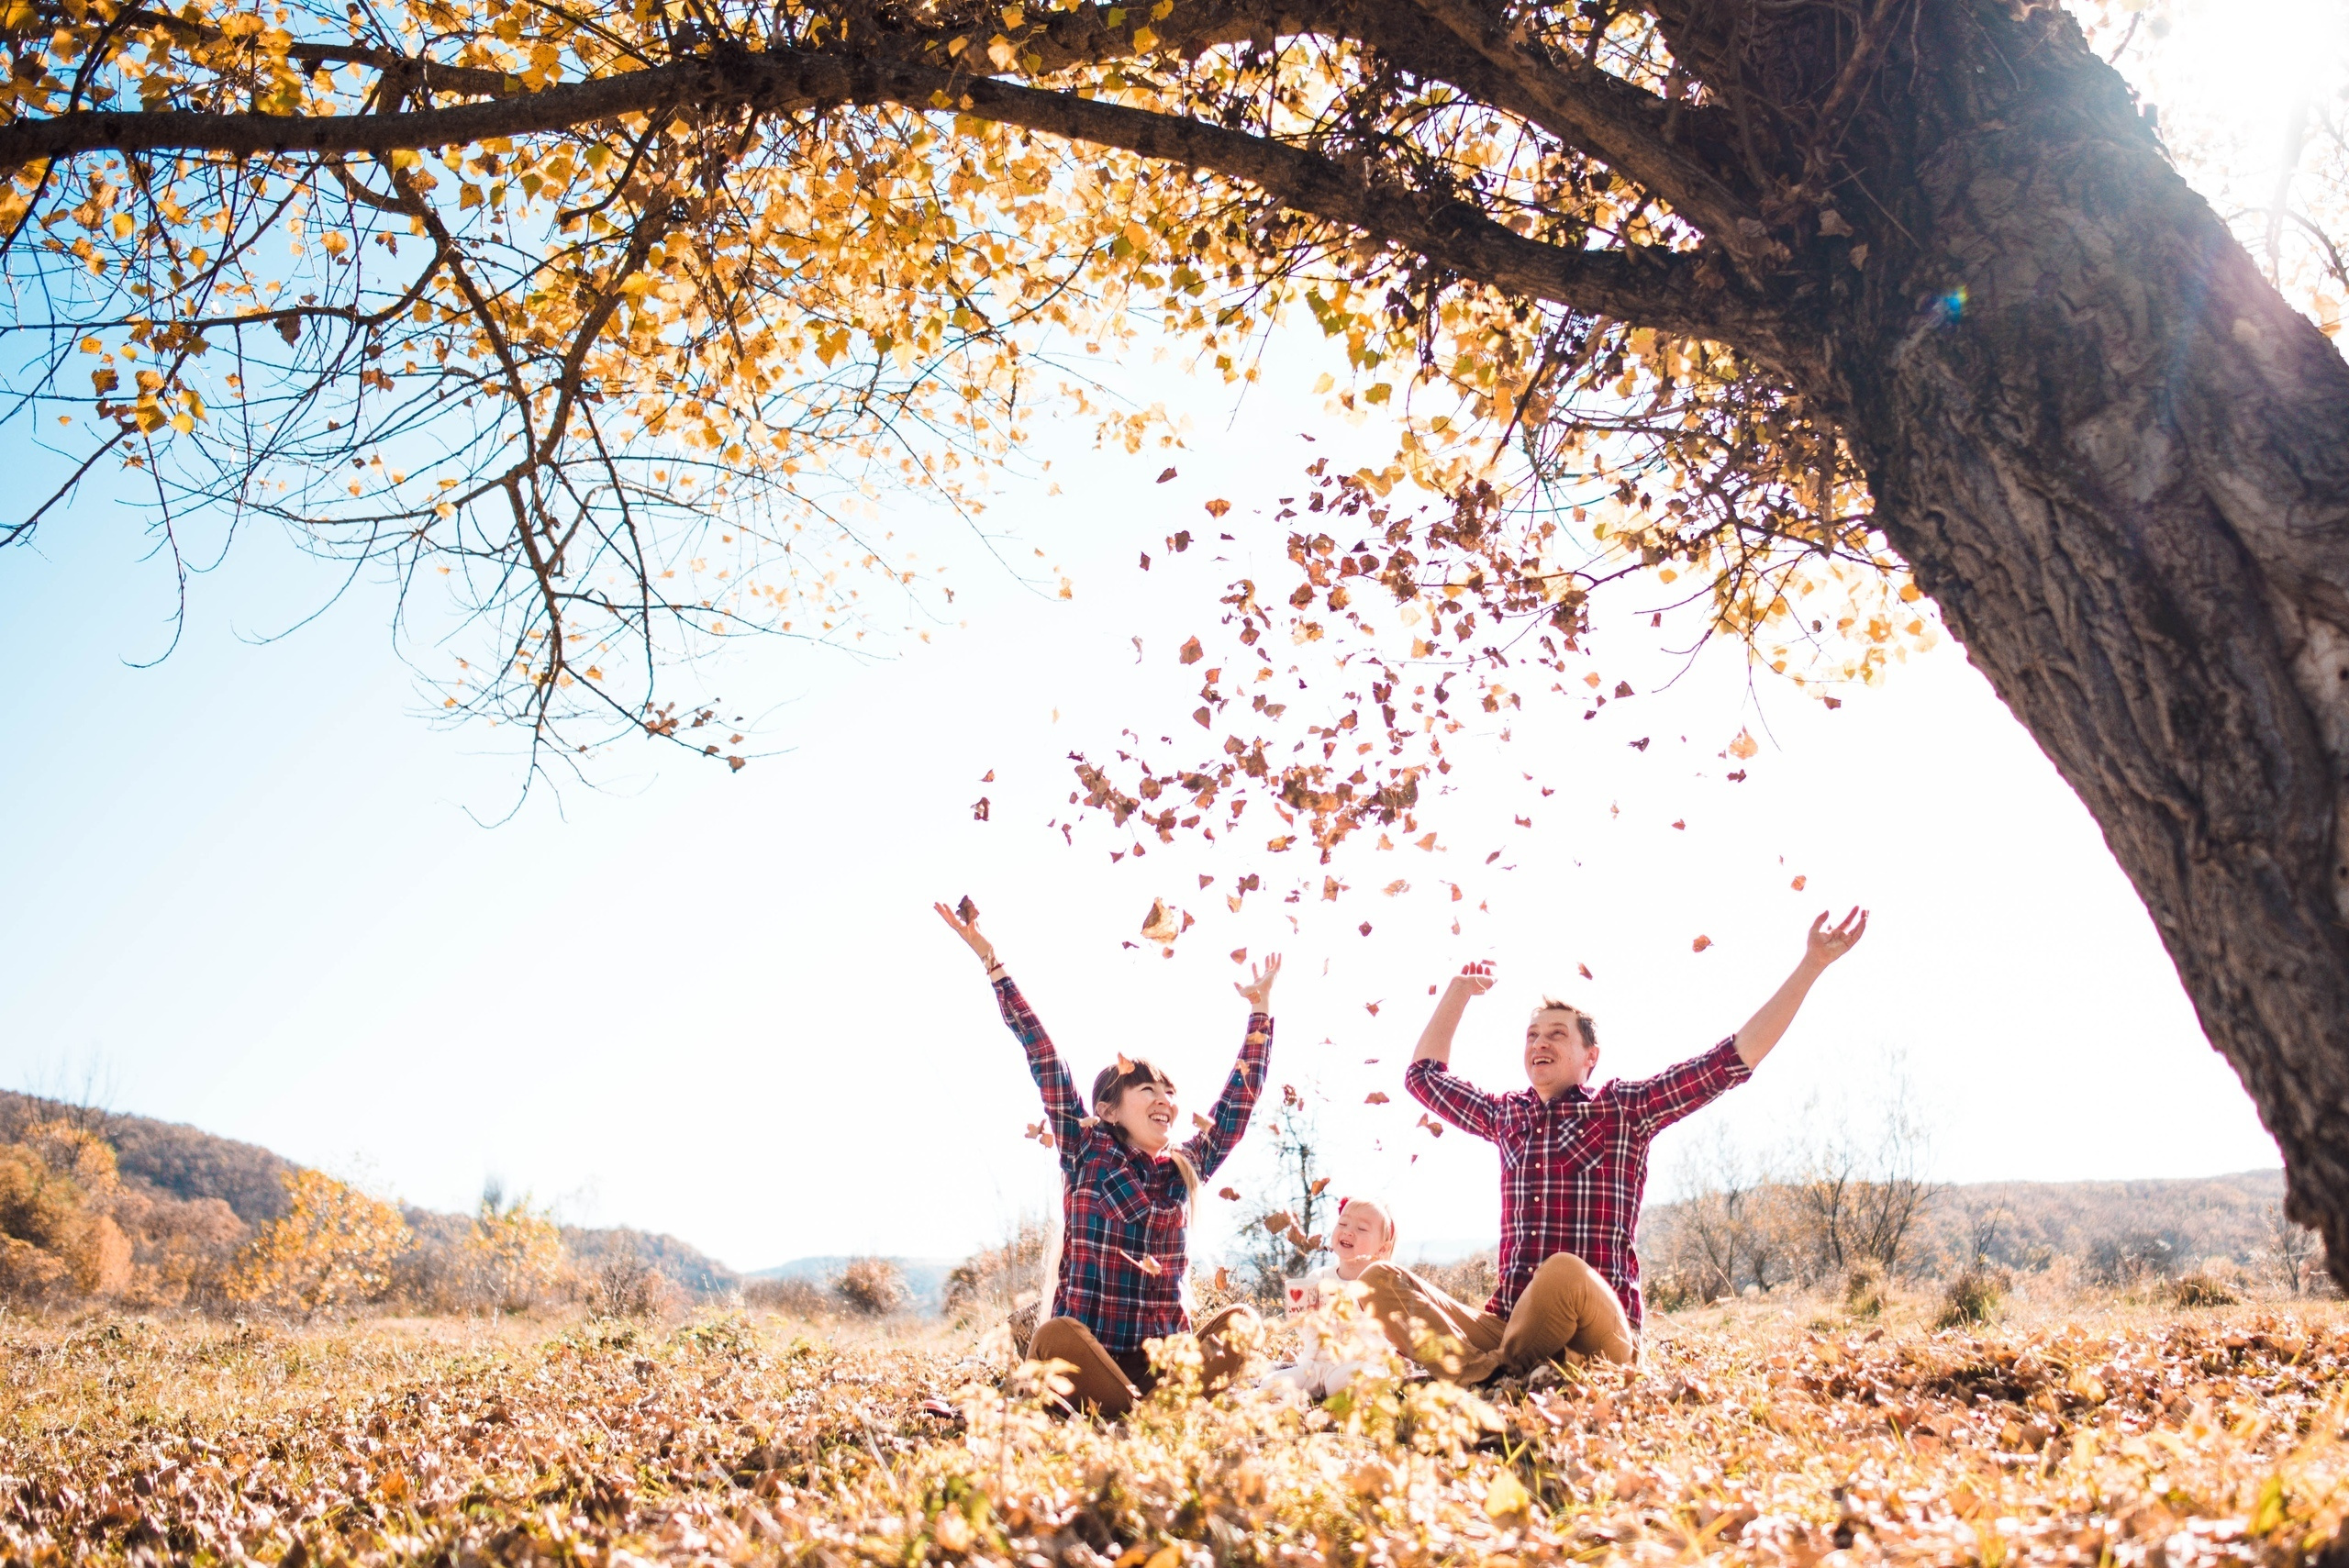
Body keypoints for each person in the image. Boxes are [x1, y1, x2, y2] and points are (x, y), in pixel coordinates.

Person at [1364, 908, 1870, 1384]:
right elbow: (1423, 1078)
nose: (1540, 1043)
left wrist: (1811, 965)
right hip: (1510, 1324)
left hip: (1596, 1334)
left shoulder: (1623, 1110)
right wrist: (1458, 991)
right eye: (1532, 1035)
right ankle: (1495, 1374)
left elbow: (1730, 1061)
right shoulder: (1507, 1116)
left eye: (1557, 1034)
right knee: (1378, 1280)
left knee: (1562, 1272)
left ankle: (1486, 1375)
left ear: (1591, 1056)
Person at [935, 898, 1281, 1417]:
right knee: (1055, 1336)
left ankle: (1140, 1411)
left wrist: (1260, 1012)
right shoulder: (1086, 1149)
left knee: (1243, 1325)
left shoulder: (1184, 1169)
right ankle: (1142, 1414)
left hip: (1163, 1364)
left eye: (1169, 1092)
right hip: (1090, 1359)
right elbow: (1044, 1056)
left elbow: (1238, 1104)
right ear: (1108, 1109)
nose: (1165, 1101)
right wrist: (992, 962)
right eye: (1147, 1089)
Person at [1262, 1195, 1401, 1398]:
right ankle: (1300, 1400)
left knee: (1348, 1382)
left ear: (1382, 1249)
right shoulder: (1318, 1278)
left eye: (1361, 1229)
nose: (1348, 1231)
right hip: (1316, 1366)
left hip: (1359, 1363)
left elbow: (1392, 1333)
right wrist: (1303, 1318)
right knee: (1270, 1384)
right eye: (1343, 1223)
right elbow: (1307, 1332)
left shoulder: (1380, 1286)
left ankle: (1363, 1392)